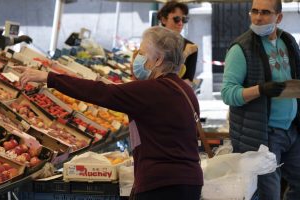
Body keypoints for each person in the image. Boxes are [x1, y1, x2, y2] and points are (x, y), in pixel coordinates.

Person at [17, 26, 203, 200]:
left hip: (162, 186)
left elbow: (101, 93)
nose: (137, 58)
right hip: (189, 182)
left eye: (142, 53)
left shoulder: (151, 90)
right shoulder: (184, 90)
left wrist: (49, 77)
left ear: (159, 60)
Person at [221, 0, 300, 199]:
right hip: (263, 136)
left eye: (265, 12)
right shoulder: (241, 48)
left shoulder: (288, 42)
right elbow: (228, 94)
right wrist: (261, 89)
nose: (258, 17)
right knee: (268, 195)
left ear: (279, 17)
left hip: (292, 130)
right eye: (254, 11)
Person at [157, 1, 198, 82]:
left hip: (177, 92)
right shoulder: (154, 43)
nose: (180, 23)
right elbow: (156, 75)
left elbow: (188, 80)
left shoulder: (190, 46)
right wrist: (185, 54)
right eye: (177, 19)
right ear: (164, 20)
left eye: (184, 19)